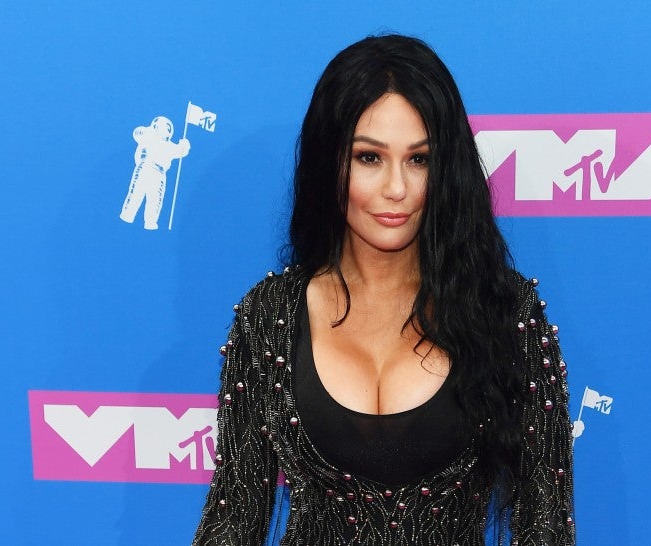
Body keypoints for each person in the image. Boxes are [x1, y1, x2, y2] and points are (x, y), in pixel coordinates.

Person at [194, 34, 574, 546]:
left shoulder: (506, 312)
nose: (396, 188)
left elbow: (546, 528)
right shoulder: (269, 317)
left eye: (420, 159)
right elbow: (233, 521)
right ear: (329, 161)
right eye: (369, 158)